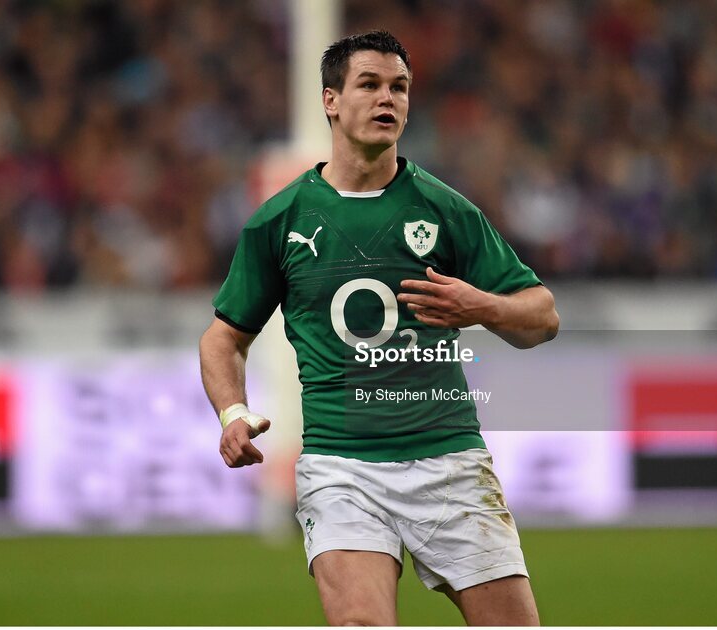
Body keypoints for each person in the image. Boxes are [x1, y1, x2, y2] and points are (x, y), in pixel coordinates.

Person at [199, 30, 558, 626]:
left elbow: (542, 316)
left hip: (449, 460)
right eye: (369, 84)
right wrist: (232, 414)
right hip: (342, 468)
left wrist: (482, 308)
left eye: (399, 87)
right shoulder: (279, 221)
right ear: (330, 100)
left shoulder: (446, 211)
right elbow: (223, 337)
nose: (386, 98)